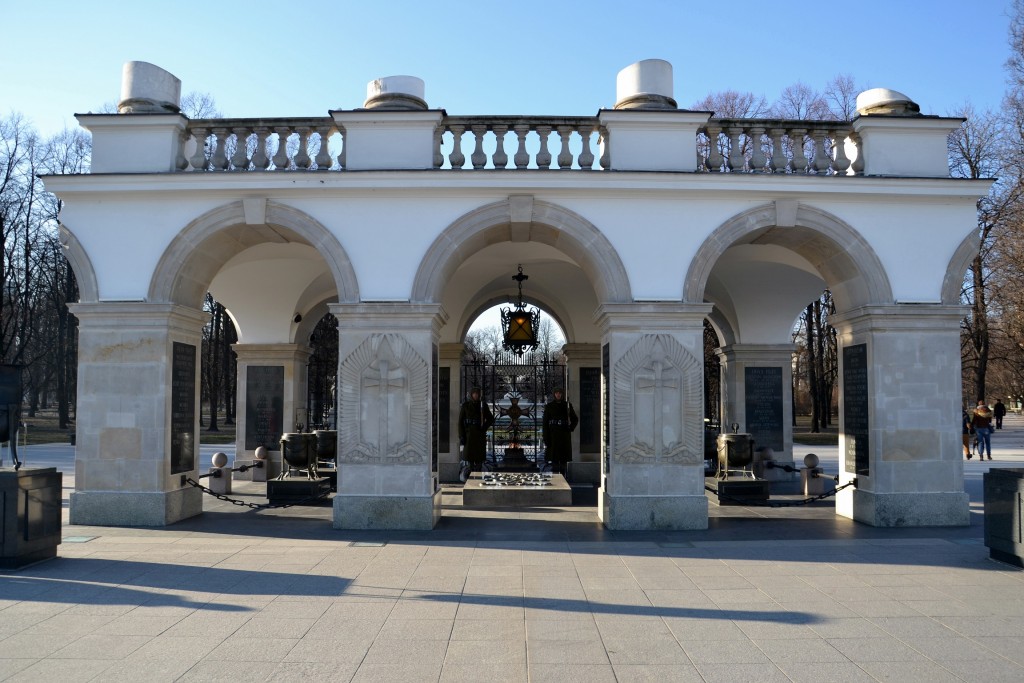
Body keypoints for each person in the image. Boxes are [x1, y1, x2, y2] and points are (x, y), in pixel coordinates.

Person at [457, 387, 494, 481]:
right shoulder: (466, 406)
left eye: (477, 393)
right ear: (471, 394)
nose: (476, 395)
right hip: (469, 435)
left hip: (479, 435)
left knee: (479, 460)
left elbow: (491, 419)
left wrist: (484, 427)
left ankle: (478, 476)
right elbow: (460, 422)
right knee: (470, 459)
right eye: (474, 393)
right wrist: (461, 435)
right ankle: (469, 477)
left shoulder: (483, 405)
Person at [542, 387, 578, 476]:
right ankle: (555, 480)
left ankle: (563, 479)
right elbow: (545, 423)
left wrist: (570, 428)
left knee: (563, 461)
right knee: (554, 462)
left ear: (562, 394)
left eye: (560, 393)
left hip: (564, 435)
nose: (558, 395)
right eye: (556, 393)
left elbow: (575, 419)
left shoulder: (567, 406)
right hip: (553, 436)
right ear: (554, 394)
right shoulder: (549, 406)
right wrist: (546, 437)